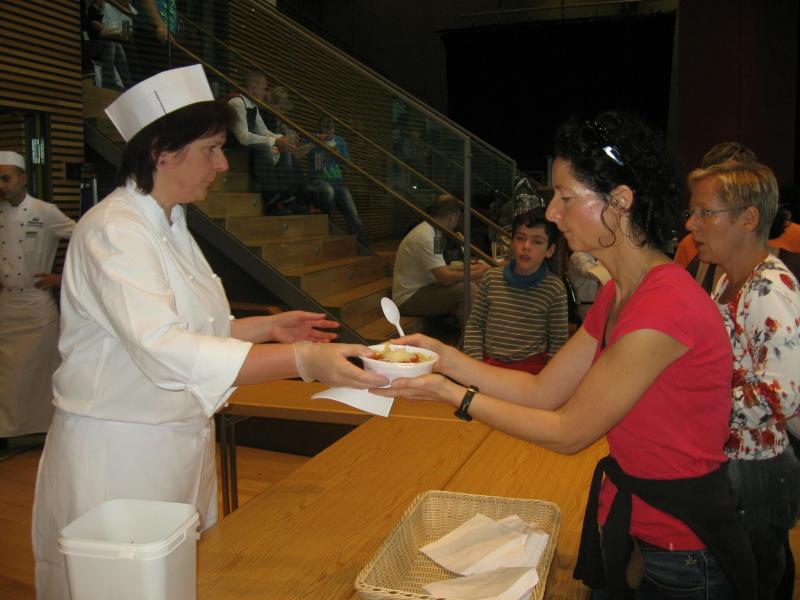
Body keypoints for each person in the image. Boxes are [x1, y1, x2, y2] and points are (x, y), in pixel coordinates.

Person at [31, 65, 387, 600]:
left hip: (176, 438)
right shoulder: (115, 230)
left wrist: (267, 327)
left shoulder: (170, 220)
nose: (222, 164)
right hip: (121, 449)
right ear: (162, 153)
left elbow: (193, 327)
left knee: (176, 579)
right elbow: (162, 347)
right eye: (212, 149)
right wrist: (300, 361)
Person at [374, 112, 756, 599]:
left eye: (566, 197)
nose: (552, 213)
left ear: (620, 201)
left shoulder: (666, 304)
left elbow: (568, 431)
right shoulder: (621, 292)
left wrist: (452, 395)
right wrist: (443, 358)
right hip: (638, 524)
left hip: (681, 544)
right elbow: (544, 389)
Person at [685, 160, 800, 599]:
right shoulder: (730, 280)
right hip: (733, 459)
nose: (692, 224)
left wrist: (697, 404)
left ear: (748, 219)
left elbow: (783, 394)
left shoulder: (767, 289)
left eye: (705, 212)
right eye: (692, 212)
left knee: (752, 581)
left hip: (757, 469)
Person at [0, 151, 75, 445]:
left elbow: (87, 238)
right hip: (7, 305)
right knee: (7, 372)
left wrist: (62, 278)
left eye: (6, 178)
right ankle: (6, 432)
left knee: (41, 371)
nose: (2, 186)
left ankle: (46, 429)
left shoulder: (45, 211)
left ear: (22, 178)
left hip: (37, 306)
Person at [462, 207, 568, 374]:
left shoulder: (554, 288)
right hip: (489, 366)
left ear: (550, 250)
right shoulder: (491, 279)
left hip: (530, 371)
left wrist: (550, 377)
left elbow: (558, 342)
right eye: (520, 238)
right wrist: (476, 365)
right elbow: (475, 326)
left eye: (537, 241)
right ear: (512, 243)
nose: (526, 246)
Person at [391, 194, 490, 327]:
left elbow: (443, 267)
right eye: (458, 218)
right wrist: (479, 272)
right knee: (467, 289)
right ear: (453, 216)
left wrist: (475, 268)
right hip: (408, 298)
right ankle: (474, 337)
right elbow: (445, 278)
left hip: (427, 287)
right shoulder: (426, 236)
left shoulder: (435, 233)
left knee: (477, 282)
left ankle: (471, 333)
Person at [226, 70, 304, 215]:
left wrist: (283, 140)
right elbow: (243, 137)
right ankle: (271, 200)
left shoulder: (253, 106)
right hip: (232, 151)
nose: (266, 93)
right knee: (264, 148)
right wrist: (275, 141)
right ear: (253, 87)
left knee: (284, 150)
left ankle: (287, 198)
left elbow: (263, 131)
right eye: (264, 88)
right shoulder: (237, 102)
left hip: (247, 150)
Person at [300, 116, 368, 245]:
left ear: (333, 130)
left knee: (352, 212)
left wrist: (338, 154)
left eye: (330, 131)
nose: (327, 134)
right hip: (318, 181)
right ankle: (327, 240)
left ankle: (362, 245)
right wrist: (314, 143)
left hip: (338, 182)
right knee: (328, 200)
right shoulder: (310, 138)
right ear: (319, 130)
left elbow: (347, 165)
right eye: (324, 131)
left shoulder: (339, 141)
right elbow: (297, 154)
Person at [81, 0, 133, 90]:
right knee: (110, 46)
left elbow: (126, 35)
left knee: (118, 47)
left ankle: (129, 87)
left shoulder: (128, 13)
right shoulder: (103, 7)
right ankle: (109, 83)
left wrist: (106, 29)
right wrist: (108, 30)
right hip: (96, 42)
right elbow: (99, 32)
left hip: (109, 42)